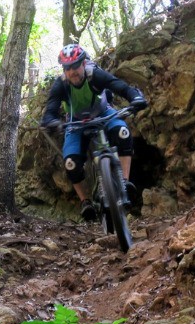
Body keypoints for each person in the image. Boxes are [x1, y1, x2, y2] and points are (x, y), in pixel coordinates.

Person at [40, 43, 148, 221]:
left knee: (123, 132)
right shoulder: (61, 84)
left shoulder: (94, 74)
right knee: (71, 164)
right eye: (68, 68)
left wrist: (135, 97)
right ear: (64, 70)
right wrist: (51, 122)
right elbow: (50, 109)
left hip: (103, 113)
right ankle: (85, 201)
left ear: (83, 63)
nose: (72, 71)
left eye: (76, 65)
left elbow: (118, 86)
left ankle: (124, 181)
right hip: (75, 123)